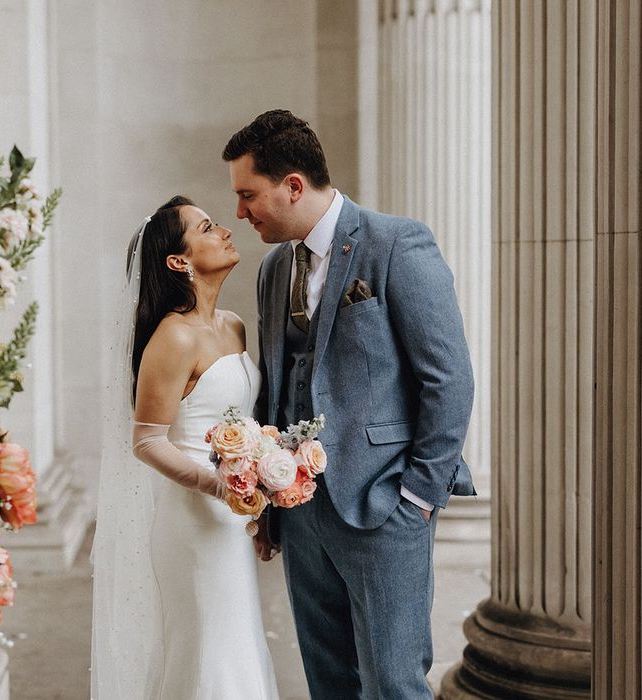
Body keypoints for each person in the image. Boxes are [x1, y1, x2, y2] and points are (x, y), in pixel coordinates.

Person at [222, 110, 476, 699]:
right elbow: (279, 387)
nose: (240, 212)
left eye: (247, 195)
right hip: (301, 510)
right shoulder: (272, 268)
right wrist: (267, 500)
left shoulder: (396, 243)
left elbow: (449, 379)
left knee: (394, 684)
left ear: (292, 185)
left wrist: (417, 496)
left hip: (385, 503)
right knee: (328, 683)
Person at [90, 196, 279, 699]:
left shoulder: (234, 325)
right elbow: (147, 441)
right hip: (194, 523)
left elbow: (246, 424)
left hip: (233, 521)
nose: (225, 230)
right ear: (179, 260)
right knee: (206, 653)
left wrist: (259, 505)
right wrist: (222, 487)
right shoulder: (172, 338)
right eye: (208, 227)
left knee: (237, 646)